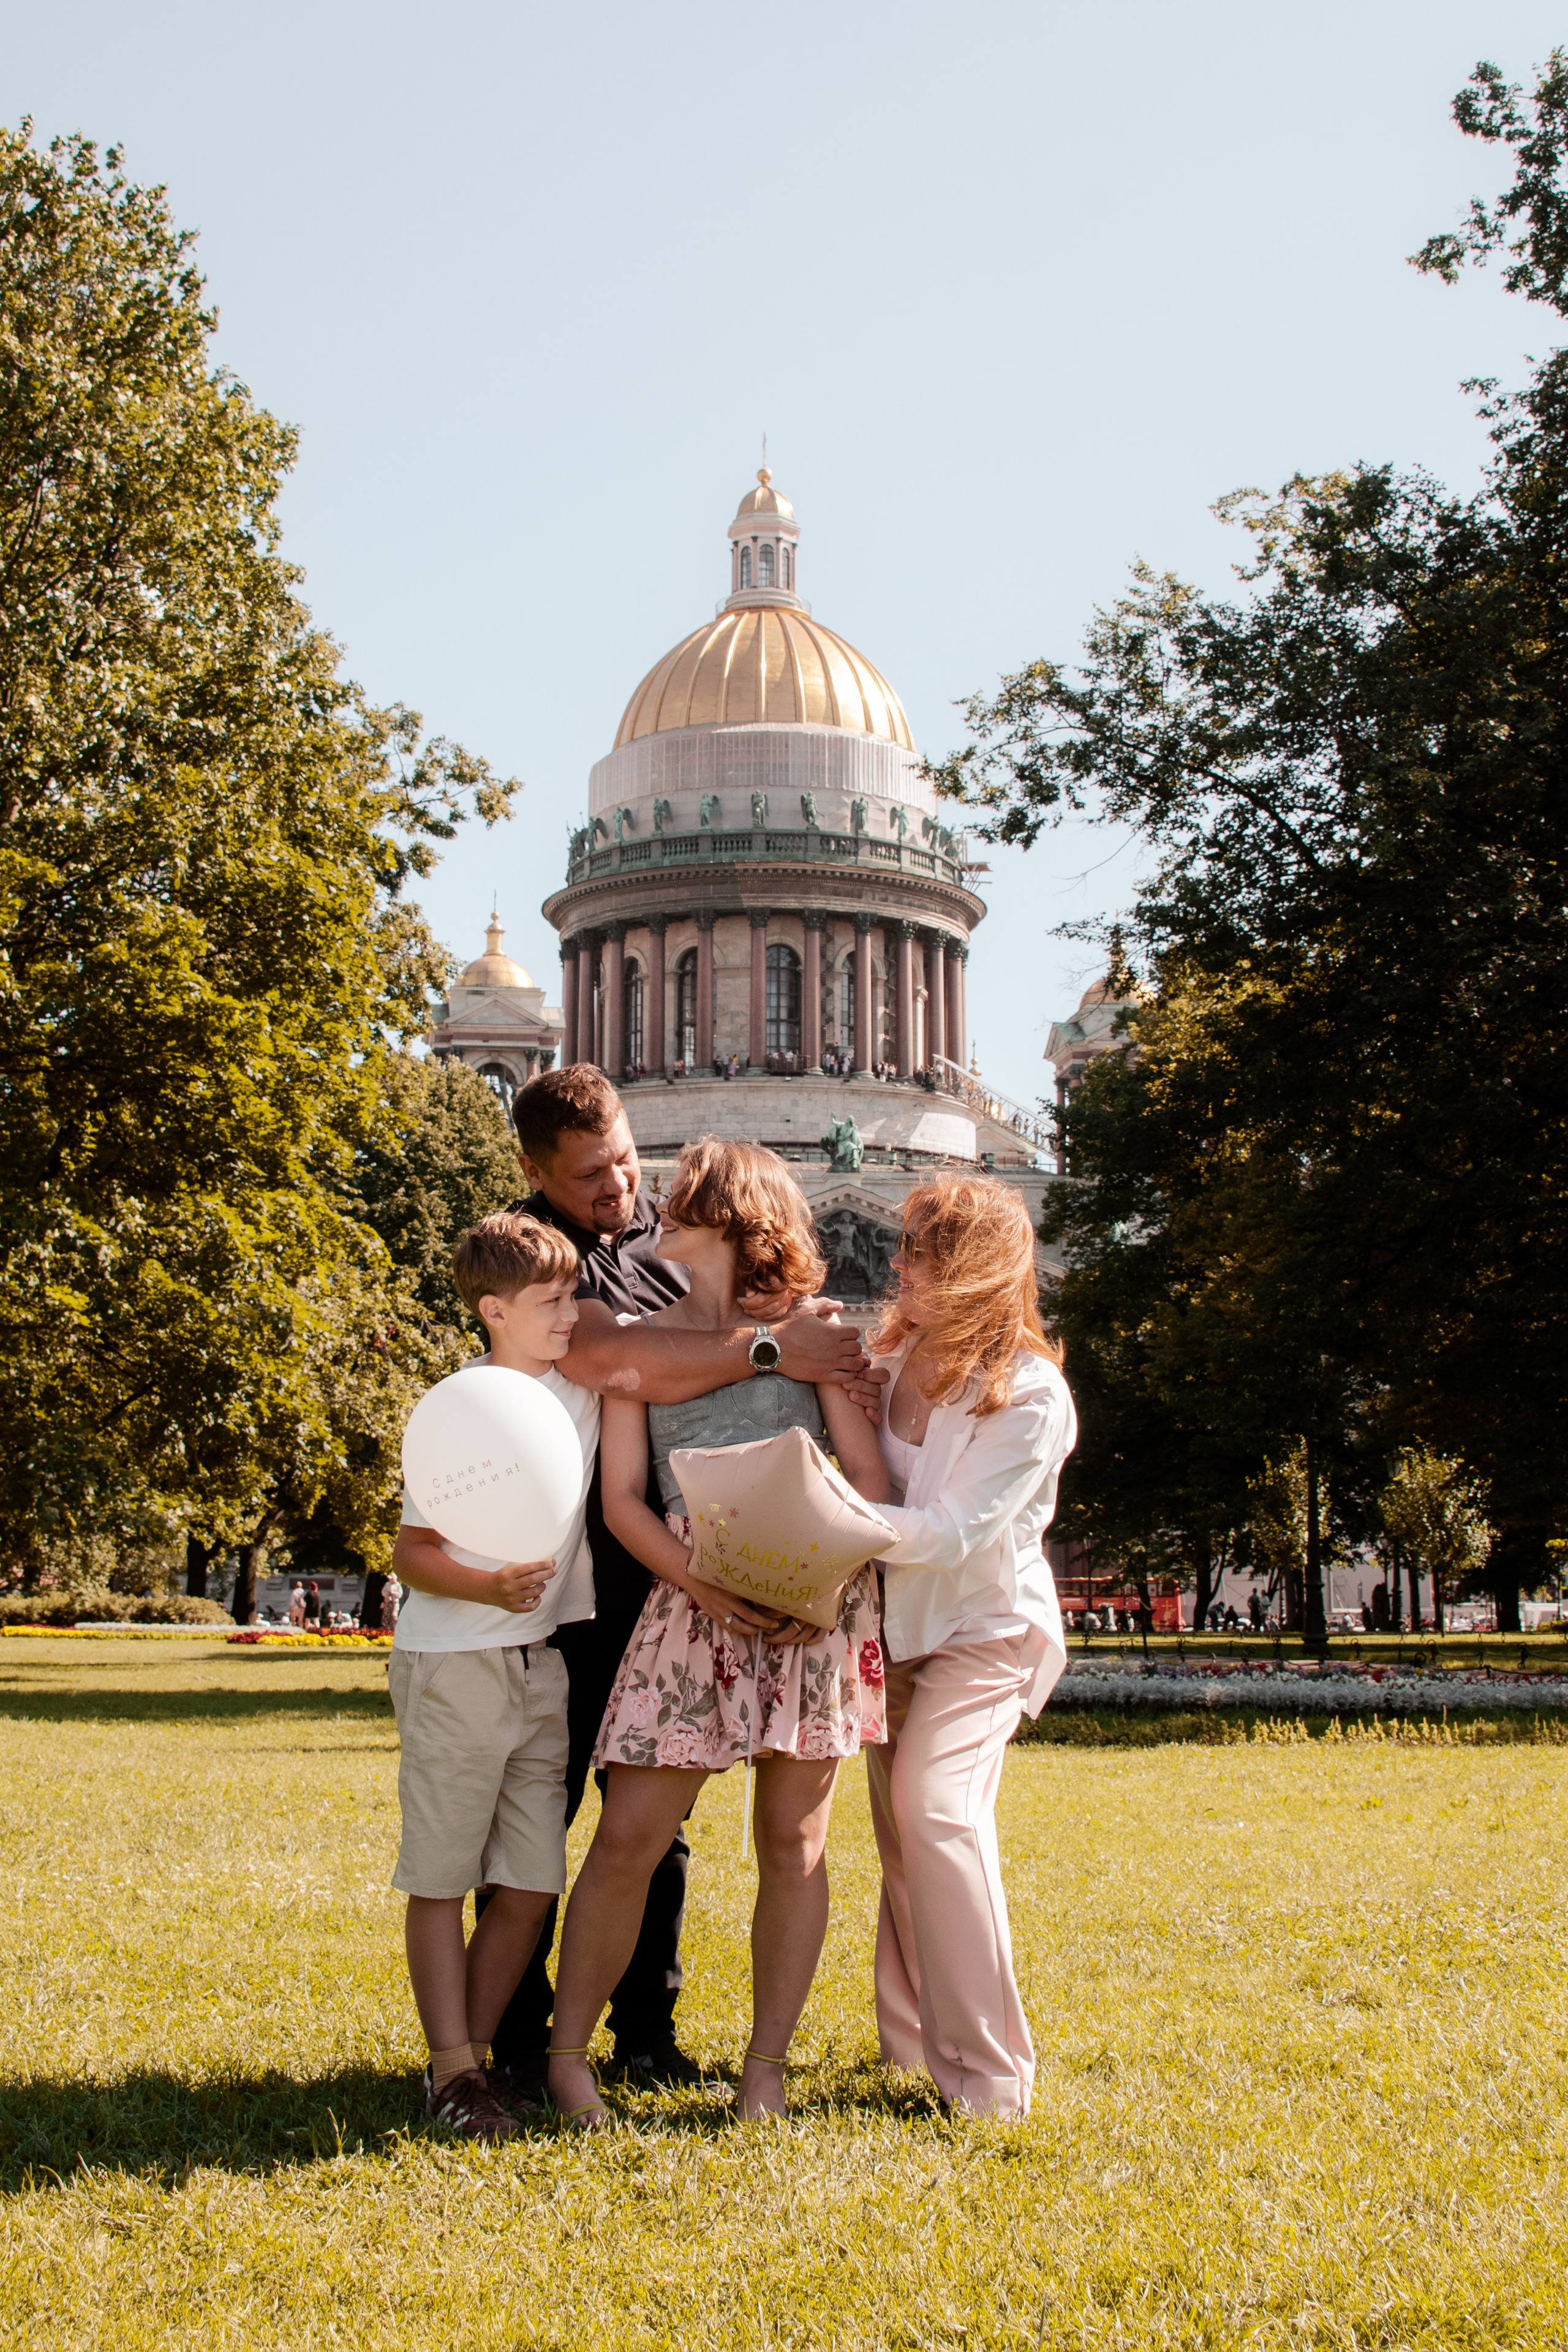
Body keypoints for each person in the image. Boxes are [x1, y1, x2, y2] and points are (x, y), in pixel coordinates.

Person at [484, 1065, 881, 2106]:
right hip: (608, 1587)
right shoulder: (539, 1255)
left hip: (769, 1606)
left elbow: (869, 1476)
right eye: (595, 1173)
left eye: (628, 1159)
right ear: (537, 1174)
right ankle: (529, 2048)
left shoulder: (734, 1276)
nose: (626, 1186)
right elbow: (620, 1369)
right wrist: (769, 1351)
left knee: (712, 1839)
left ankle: (662, 2040)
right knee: (560, 1818)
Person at [864, 1173, 1076, 2118]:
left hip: (984, 1628)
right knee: (902, 1839)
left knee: (936, 1811)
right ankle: (911, 2044)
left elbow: (952, 1534)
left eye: (920, 1254)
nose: (897, 1265)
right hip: (891, 1627)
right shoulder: (886, 1357)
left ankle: (992, 2076)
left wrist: (826, 1521)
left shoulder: (1029, 1395)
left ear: (972, 1273)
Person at [388, 1212, 599, 2143]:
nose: (572, 1316)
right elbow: (411, 1553)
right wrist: (491, 1584)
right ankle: (454, 2072)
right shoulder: (459, 1406)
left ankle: (465, 2062)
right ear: (494, 1312)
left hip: (537, 1664)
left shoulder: (576, 1392)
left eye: (574, 1296)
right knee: (441, 1875)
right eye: (553, 1303)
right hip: (455, 1660)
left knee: (530, 1880)